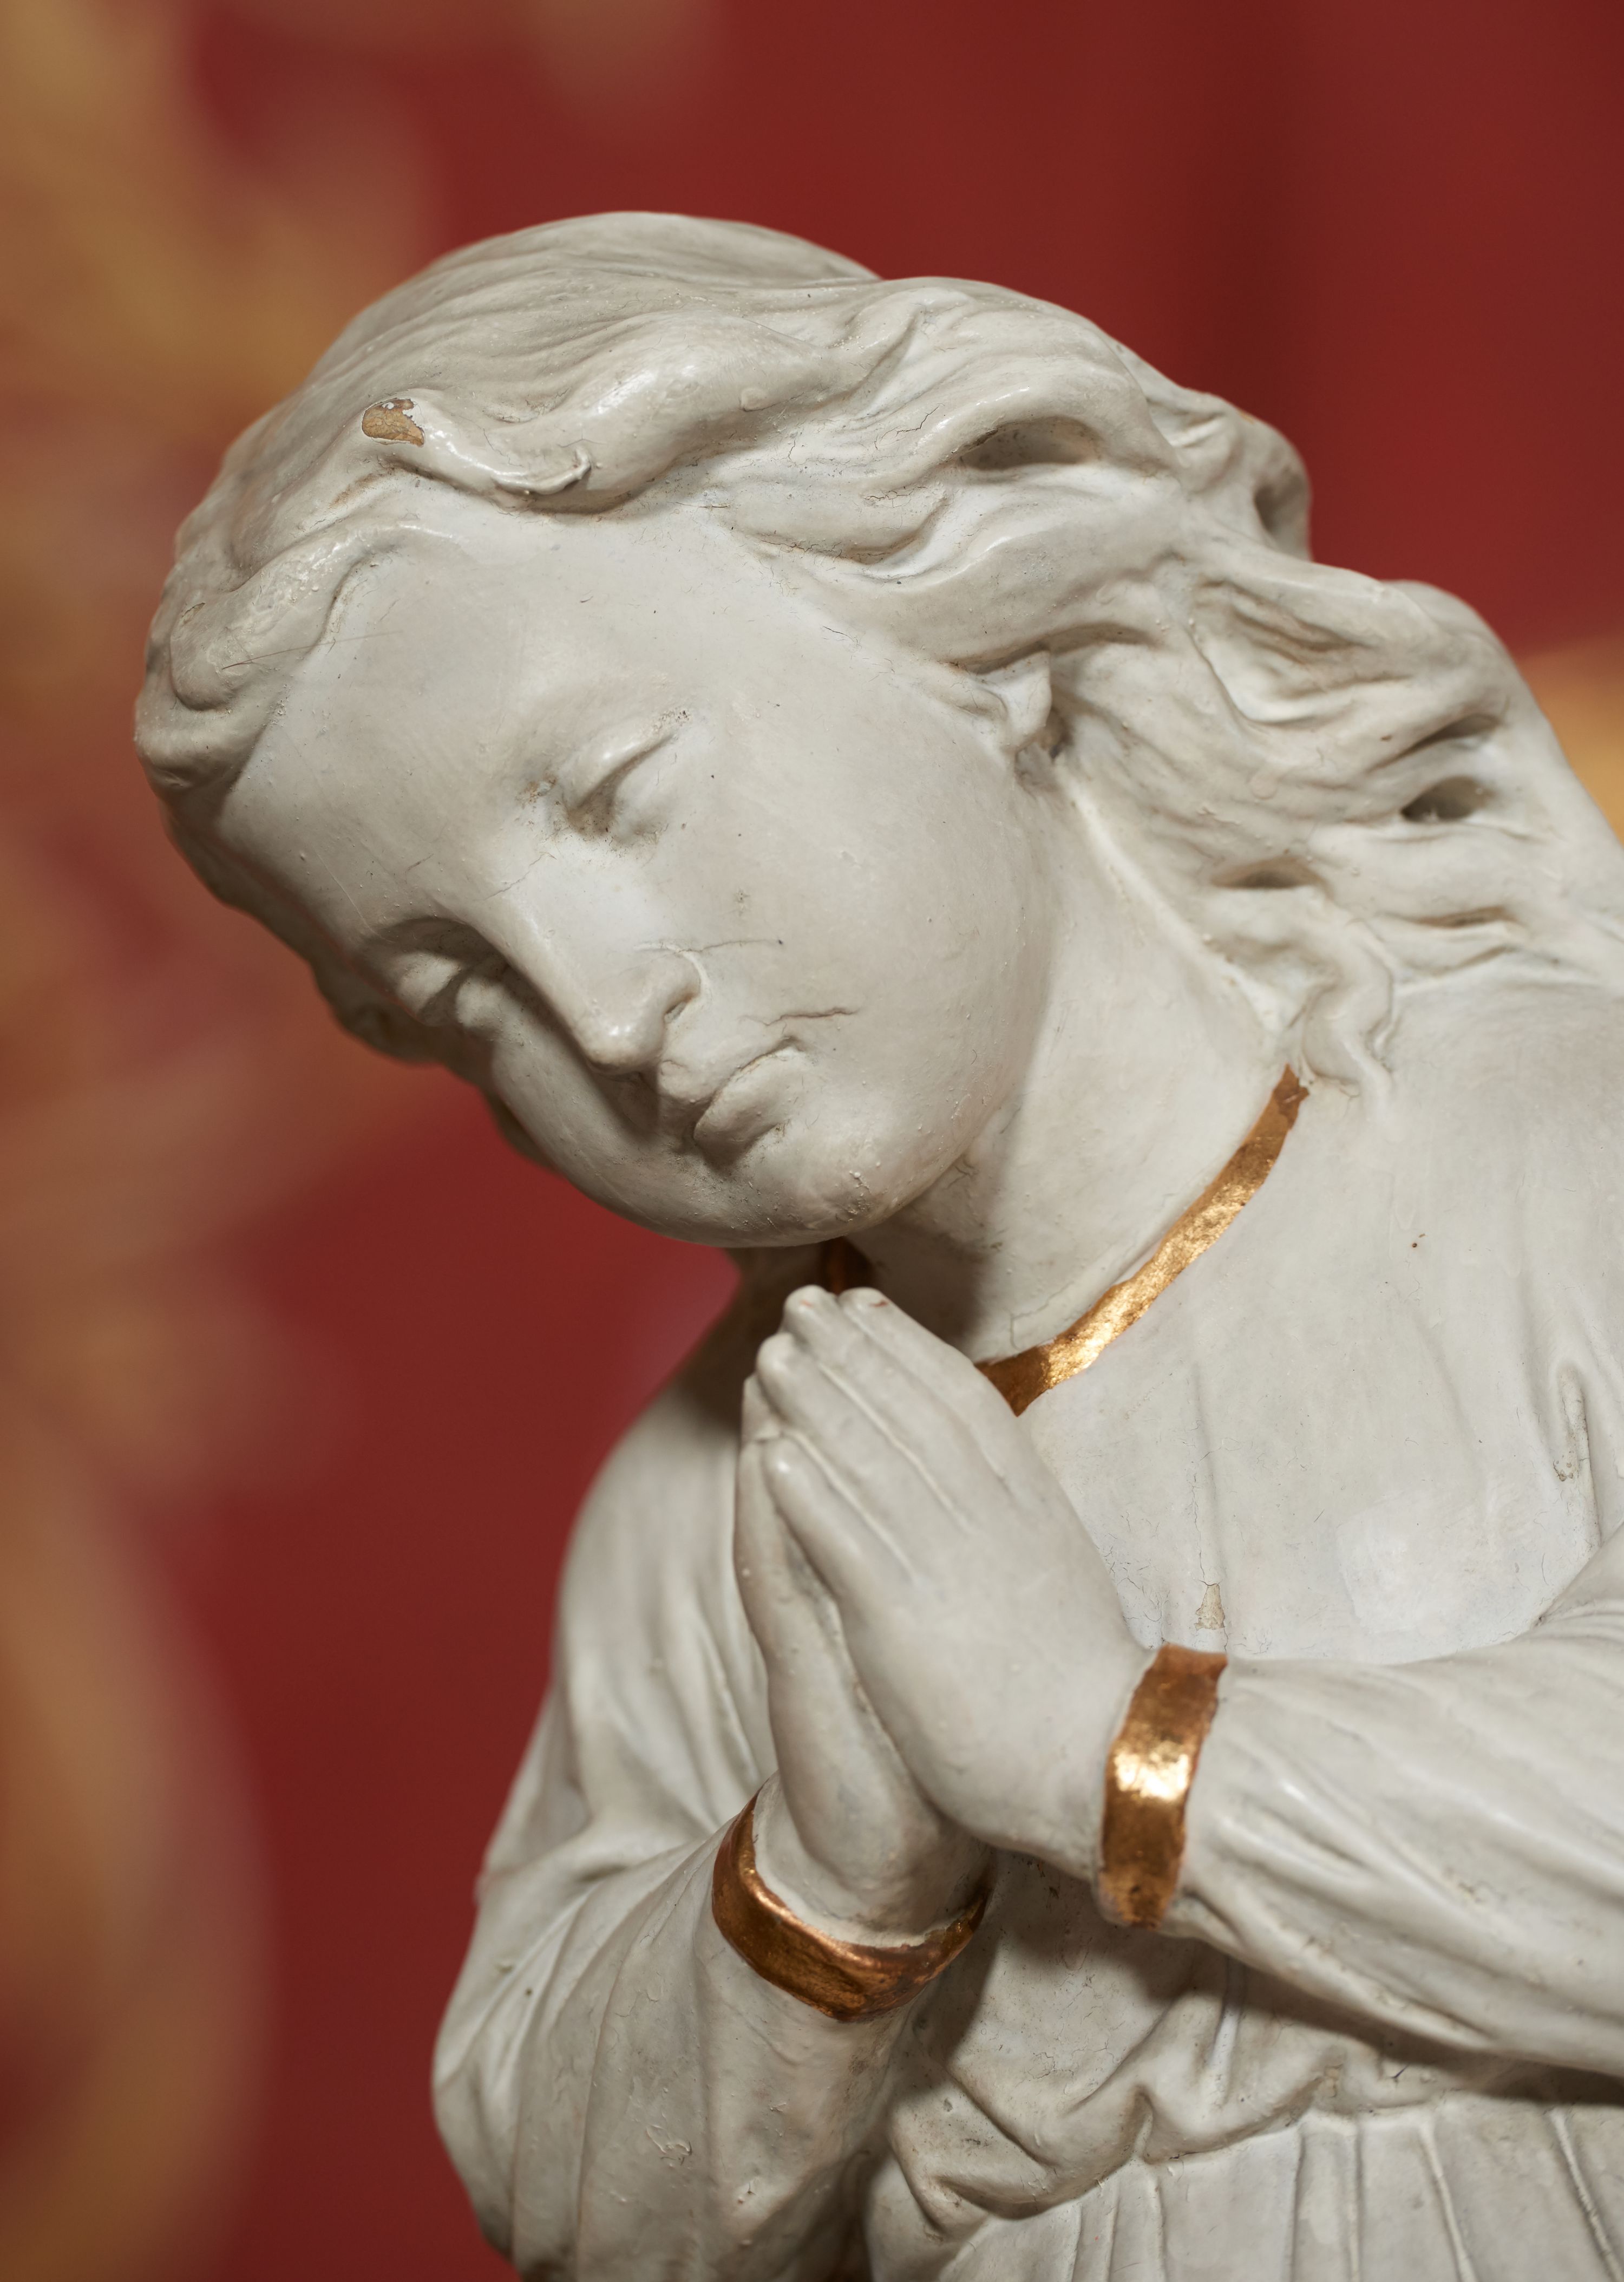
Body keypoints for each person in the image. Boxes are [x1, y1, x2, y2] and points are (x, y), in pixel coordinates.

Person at [136, 212, 1624, 2280]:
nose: (601, 1011)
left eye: (612, 792)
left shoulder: (1556, 1154)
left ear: (963, 616)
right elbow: (585, 2211)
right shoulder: (710, 1514)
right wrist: (828, 1884)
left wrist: (1109, 1747)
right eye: (453, 991)